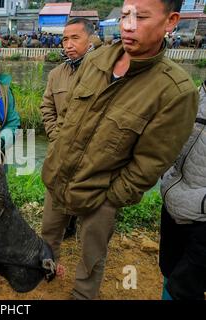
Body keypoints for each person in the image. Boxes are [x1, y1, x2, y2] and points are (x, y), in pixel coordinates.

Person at [41, 0, 198, 300]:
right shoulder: (96, 59)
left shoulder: (175, 92)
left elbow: (150, 163)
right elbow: (67, 112)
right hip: (58, 176)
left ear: (170, 21)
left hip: (101, 195)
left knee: (92, 257)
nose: (127, 25)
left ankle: (83, 295)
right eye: (125, 15)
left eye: (141, 17)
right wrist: (57, 153)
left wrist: (110, 199)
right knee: (48, 236)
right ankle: (45, 271)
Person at [41, 18, 103, 251]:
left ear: (90, 40)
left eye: (75, 38)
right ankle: (48, 266)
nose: (68, 44)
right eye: (65, 39)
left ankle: (85, 284)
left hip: (93, 164)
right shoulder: (57, 74)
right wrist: (56, 137)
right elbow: (47, 108)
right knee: (50, 226)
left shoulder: (105, 73)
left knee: (92, 233)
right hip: (59, 159)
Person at [159, 79, 206, 300]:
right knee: (169, 271)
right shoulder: (196, 93)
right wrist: (165, 172)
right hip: (174, 202)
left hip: (202, 219)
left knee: (184, 287)